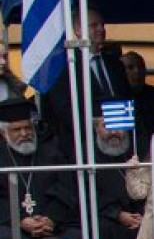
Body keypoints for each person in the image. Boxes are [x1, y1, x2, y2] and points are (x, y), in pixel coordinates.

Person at [0, 100, 81, 239]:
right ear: (3, 133)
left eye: (27, 128)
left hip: (50, 224)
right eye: (16, 130)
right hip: (12, 225)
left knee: (76, 238)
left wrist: (50, 220)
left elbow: (65, 189)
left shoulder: (51, 153)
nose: (24, 134)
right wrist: (20, 220)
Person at [42, 8, 130, 161]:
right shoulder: (64, 66)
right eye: (94, 25)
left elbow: (126, 100)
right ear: (77, 30)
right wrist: (97, 128)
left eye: (102, 25)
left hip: (120, 144)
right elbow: (64, 108)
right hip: (82, 147)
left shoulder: (115, 65)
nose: (101, 29)